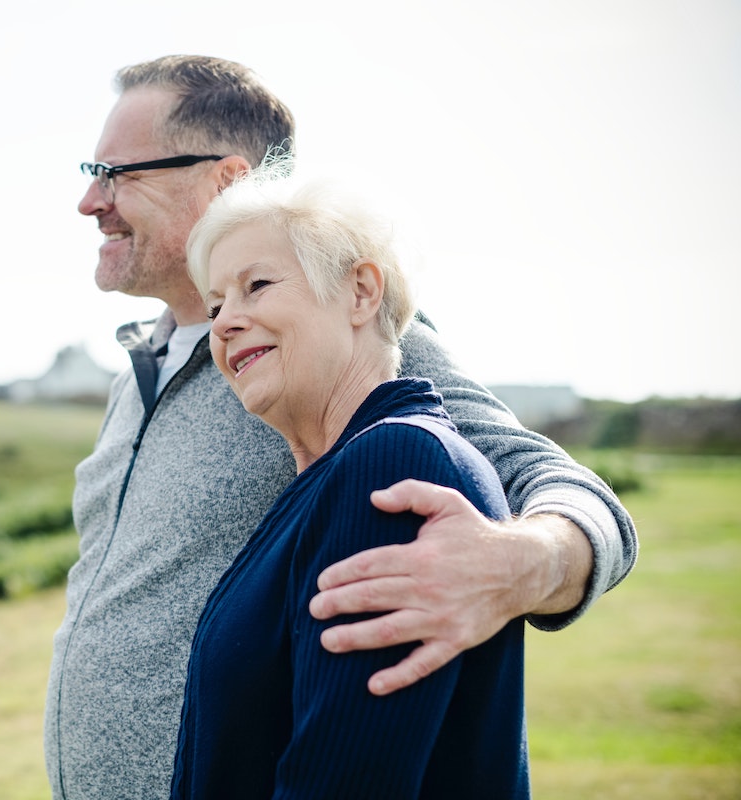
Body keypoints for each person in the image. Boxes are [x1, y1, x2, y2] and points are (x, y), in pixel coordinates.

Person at [44, 54, 636, 800]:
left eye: (115, 171)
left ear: (228, 180)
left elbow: (557, 484)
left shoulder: (338, 336)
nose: (89, 200)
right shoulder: (139, 370)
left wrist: (528, 563)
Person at [171, 167, 527, 798]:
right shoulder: (324, 483)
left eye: (257, 286)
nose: (225, 323)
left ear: (361, 292)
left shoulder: (392, 464)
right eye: (218, 303)